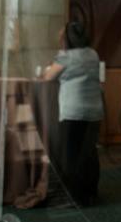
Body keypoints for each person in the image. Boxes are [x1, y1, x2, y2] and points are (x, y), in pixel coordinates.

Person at [39, 20, 103, 207]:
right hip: (94, 111)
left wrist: (56, 58)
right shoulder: (93, 54)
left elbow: (48, 76)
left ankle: (74, 198)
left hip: (74, 111)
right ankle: (91, 193)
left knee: (70, 155)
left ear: (66, 39)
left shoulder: (66, 57)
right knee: (89, 153)